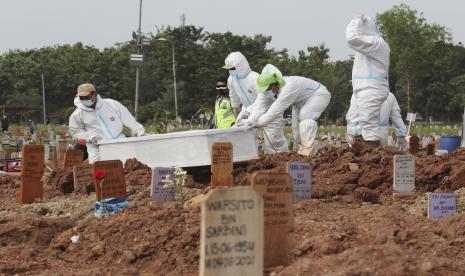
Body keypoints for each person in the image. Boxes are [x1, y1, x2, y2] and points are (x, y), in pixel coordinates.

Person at [245, 64, 331, 156]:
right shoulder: (265, 92)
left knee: (306, 116)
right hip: (299, 103)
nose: (265, 91)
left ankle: (308, 154)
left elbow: (274, 111)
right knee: (297, 134)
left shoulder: (288, 87)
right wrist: (249, 121)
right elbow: (259, 108)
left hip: (318, 94)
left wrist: (258, 123)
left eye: (267, 89)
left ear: (275, 84)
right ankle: (315, 151)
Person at [223, 52, 288, 153]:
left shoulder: (254, 78)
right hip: (248, 110)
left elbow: (263, 100)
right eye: (229, 69)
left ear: (240, 65)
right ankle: (248, 160)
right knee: (241, 134)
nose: (231, 71)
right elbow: (233, 94)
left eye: (232, 68)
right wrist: (236, 108)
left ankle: (282, 161)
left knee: (273, 141)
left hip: (268, 110)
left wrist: (250, 112)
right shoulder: (231, 80)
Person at [69, 83, 145, 163]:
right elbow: (76, 131)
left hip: (119, 141)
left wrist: (139, 131)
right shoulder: (77, 114)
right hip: (97, 147)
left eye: (87, 97)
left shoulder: (111, 104)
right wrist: (91, 137)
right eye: (82, 97)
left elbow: (127, 118)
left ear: (94, 94)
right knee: (99, 170)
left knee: (126, 166)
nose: (84, 99)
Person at [345, 14, 390, 149]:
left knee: (368, 125)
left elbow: (351, 39)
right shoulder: (366, 47)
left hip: (372, 88)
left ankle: (373, 160)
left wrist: (355, 21)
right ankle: (358, 155)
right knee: (354, 123)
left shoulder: (377, 43)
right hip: (361, 89)